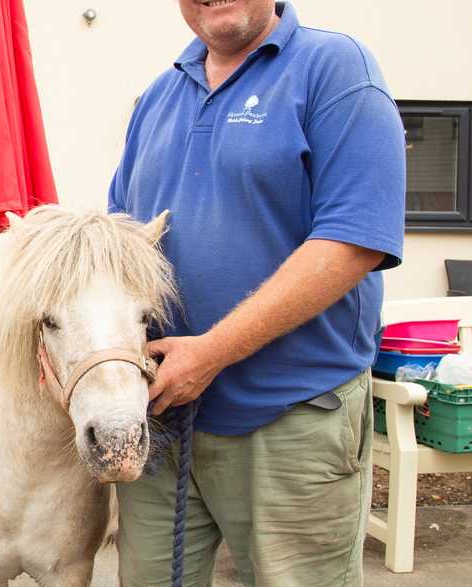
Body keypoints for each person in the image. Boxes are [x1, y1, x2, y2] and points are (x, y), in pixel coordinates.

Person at [108, 1, 405, 585]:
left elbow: (352, 242)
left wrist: (211, 351)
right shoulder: (155, 99)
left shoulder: (334, 68)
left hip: (292, 420)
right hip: (162, 422)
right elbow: (118, 243)